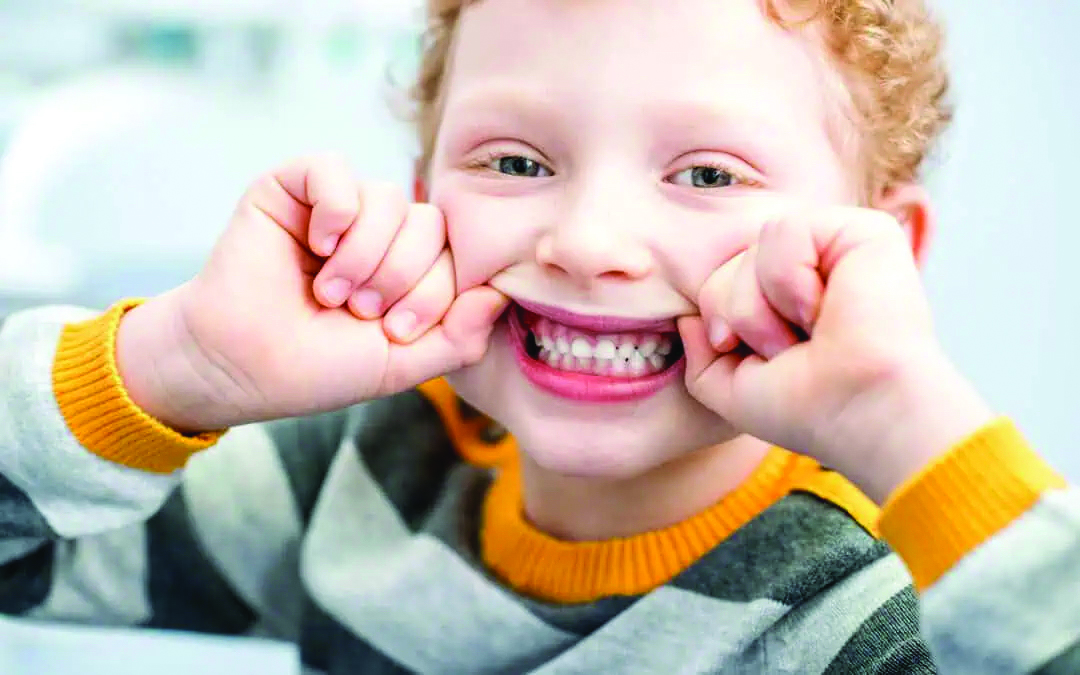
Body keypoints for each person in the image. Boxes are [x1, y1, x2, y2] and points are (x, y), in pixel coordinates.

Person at [1, 0, 1077, 672]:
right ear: (424, 197)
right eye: (516, 162)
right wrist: (181, 368)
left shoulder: (861, 615)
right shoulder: (360, 474)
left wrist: (901, 420)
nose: (587, 241)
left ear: (880, 251)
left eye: (707, 174)